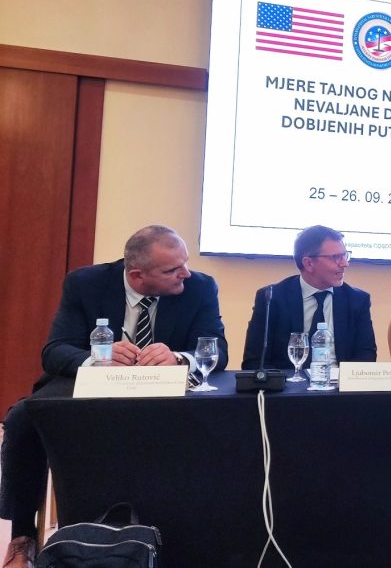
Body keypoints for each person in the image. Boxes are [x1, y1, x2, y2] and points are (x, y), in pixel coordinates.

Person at [1, 225, 228, 568]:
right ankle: (22, 537)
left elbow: (216, 349)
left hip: (163, 392)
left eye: (185, 262)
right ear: (137, 275)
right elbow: (55, 350)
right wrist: (96, 358)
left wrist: (179, 357)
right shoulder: (85, 283)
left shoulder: (200, 286)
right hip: (92, 387)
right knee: (23, 417)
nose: (186, 273)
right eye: (173, 269)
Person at [242, 225, 376, 370]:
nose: (345, 263)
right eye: (336, 257)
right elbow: (255, 362)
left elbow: (366, 359)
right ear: (309, 263)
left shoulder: (357, 300)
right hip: (289, 382)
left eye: (345, 255)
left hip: (339, 382)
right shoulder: (272, 298)